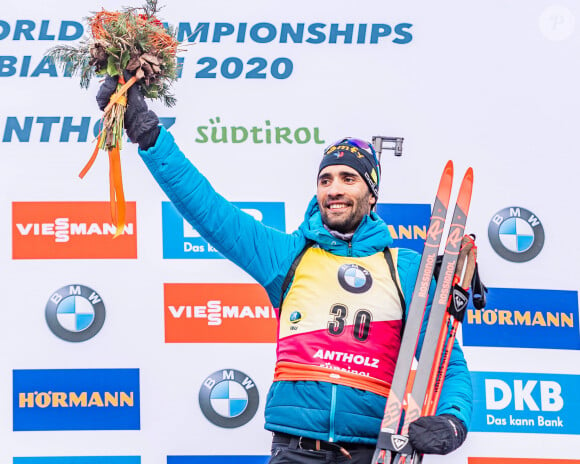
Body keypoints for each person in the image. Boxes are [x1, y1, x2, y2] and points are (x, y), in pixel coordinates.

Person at [97, 76, 473, 463]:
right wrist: (149, 136)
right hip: (295, 450)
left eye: (349, 179)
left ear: (371, 193)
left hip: (369, 451)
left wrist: (453, 421)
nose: (334, 189)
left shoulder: (405, 269)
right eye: (325, 180)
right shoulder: (288, 256)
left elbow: (446, 361)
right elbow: (209, 209)